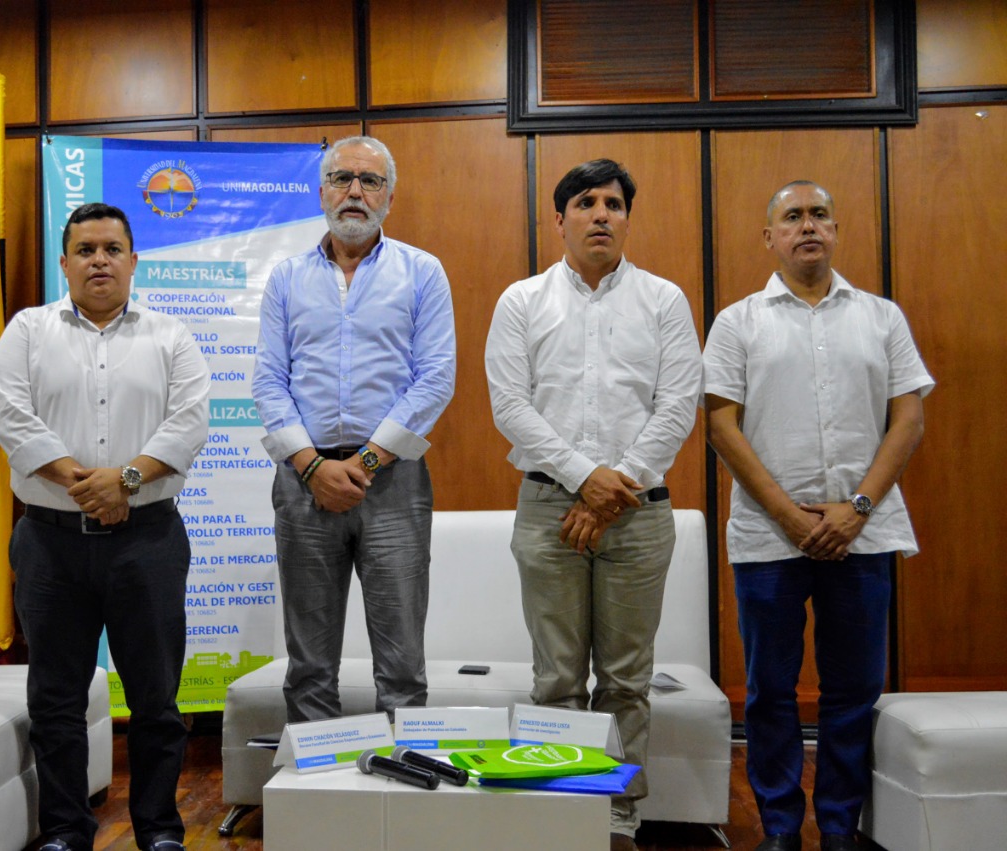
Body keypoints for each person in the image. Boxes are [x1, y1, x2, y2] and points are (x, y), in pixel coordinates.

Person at [703, 181, 933, 851]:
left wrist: (857, 508)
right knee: (771, 690)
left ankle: (838, 825)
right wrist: (790, 516)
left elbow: (909, 417)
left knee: (853, 689)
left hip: (862, 534)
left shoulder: (881, 316)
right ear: (769, 236)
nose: (808, 226)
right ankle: (779, 826)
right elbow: (721, 424)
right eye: (792, 217)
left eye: (819, 215)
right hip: (768, 538)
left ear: (836, 230)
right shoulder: (739, 320)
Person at [484, 159, 702, 851]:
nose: (601, 213)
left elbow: (678, 406)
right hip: (550, 511)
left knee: (627, 679)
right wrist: (585, 478)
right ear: (560, 219)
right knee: (555, 678)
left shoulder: (664, 300)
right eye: (586, 202)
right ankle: (562, 807)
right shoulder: (521, 300)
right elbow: (510, 406)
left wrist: (613, 490)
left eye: (613, 202)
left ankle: (614, 813)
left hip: (639, 513)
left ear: (628, 218)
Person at [0, 202, 210, 851]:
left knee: (156, 701)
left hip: (148, 541)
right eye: (85, 249)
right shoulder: (27, 331)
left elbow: (190, 422)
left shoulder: (171, 335)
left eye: (112, 248)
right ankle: (63, 831)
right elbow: (10, 417)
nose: (99, 260)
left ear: (134, 260)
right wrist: (90, 484)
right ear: (65, 263)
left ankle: (160, 831)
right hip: (50, 543)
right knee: (56, 699)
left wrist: (128, 481)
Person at [252, 135, 456, 723]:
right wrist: (313, 467)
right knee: (309, 662)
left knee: (401, 662)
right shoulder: (287, 278)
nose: (355, 193)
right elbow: (268, 381)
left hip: (392, 485)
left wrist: (363, 464)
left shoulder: (422, 272)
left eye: (369, 181)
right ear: (321, 193)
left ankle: (404, 785)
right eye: (342, 179)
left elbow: (435, 378)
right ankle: (319, 798)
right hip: (303, 484)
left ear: (390, 195)